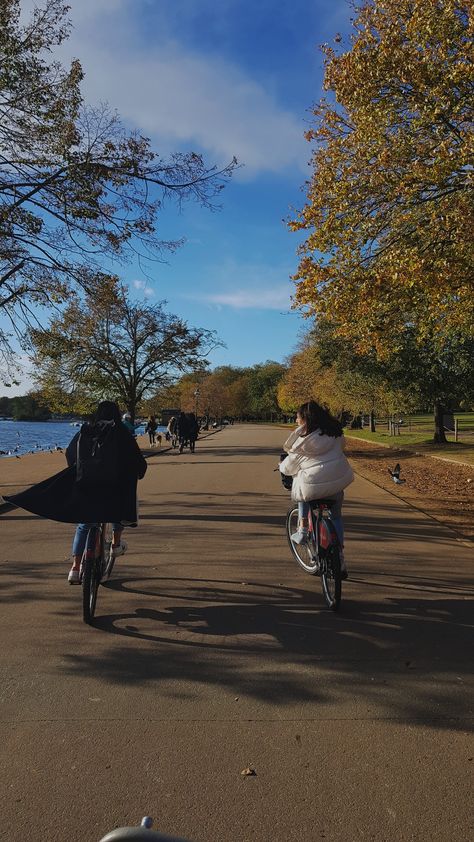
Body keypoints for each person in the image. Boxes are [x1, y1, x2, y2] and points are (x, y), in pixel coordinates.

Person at [4, 400, 147, 584]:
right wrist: (139, 472)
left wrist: (78, 469)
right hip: (112, 487)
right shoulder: (121, 432)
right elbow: (136, 459)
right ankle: (116, 544)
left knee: (84, 525)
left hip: (86, 485)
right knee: (119, 509)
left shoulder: (86, 430)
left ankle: (75, 567)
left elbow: (71, 453)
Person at [279, 400, 354, 576]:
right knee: (336, 517)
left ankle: (303, 528)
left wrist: (281, 465)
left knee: (301, 486)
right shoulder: (335, 433)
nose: (296, 420)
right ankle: (340, 556)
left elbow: (288, 468)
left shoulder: (302, 442)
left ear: (304, 419)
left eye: (297, 417)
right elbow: (342, 447)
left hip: (312, 489)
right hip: (336, 483)